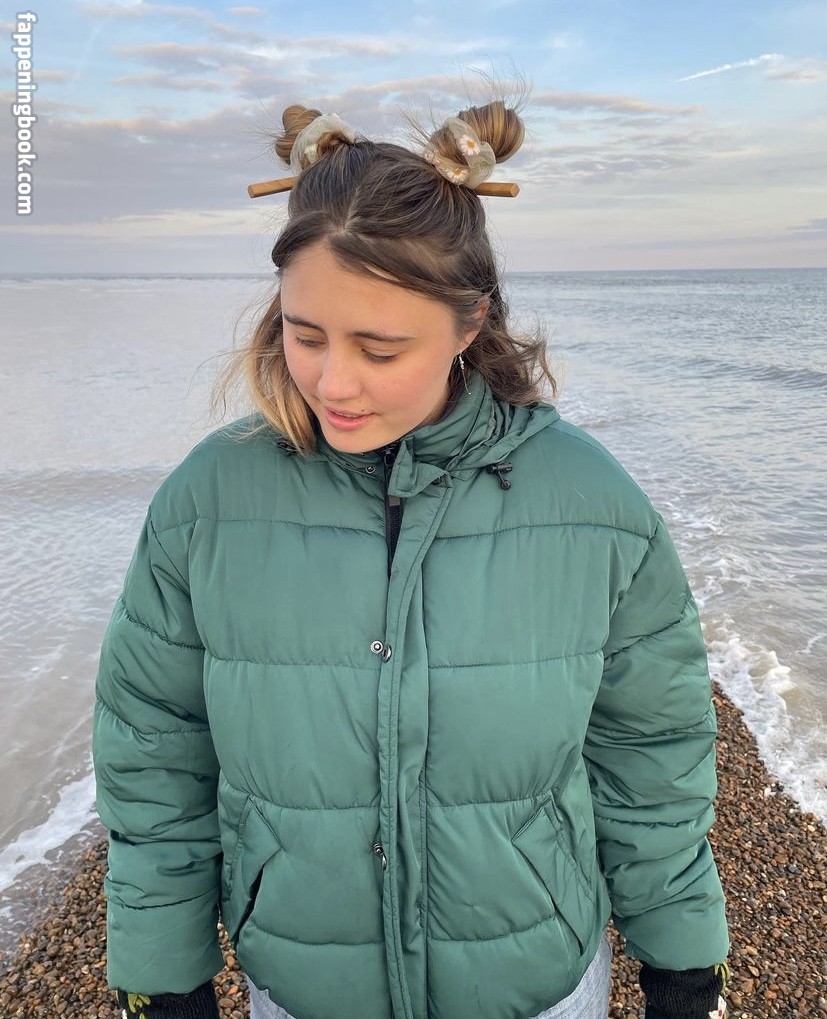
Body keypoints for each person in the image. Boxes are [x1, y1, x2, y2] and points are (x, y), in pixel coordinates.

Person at [93, 94, 730, 1019]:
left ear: (470, 324)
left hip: (534, 985)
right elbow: (155, 751)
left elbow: (651, 752)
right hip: (304, 987)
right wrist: (163, 973)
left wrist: (682, 962)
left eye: (380, 349)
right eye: (304, 335)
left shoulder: (592, 505)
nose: (333, 382)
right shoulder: (207, 502)